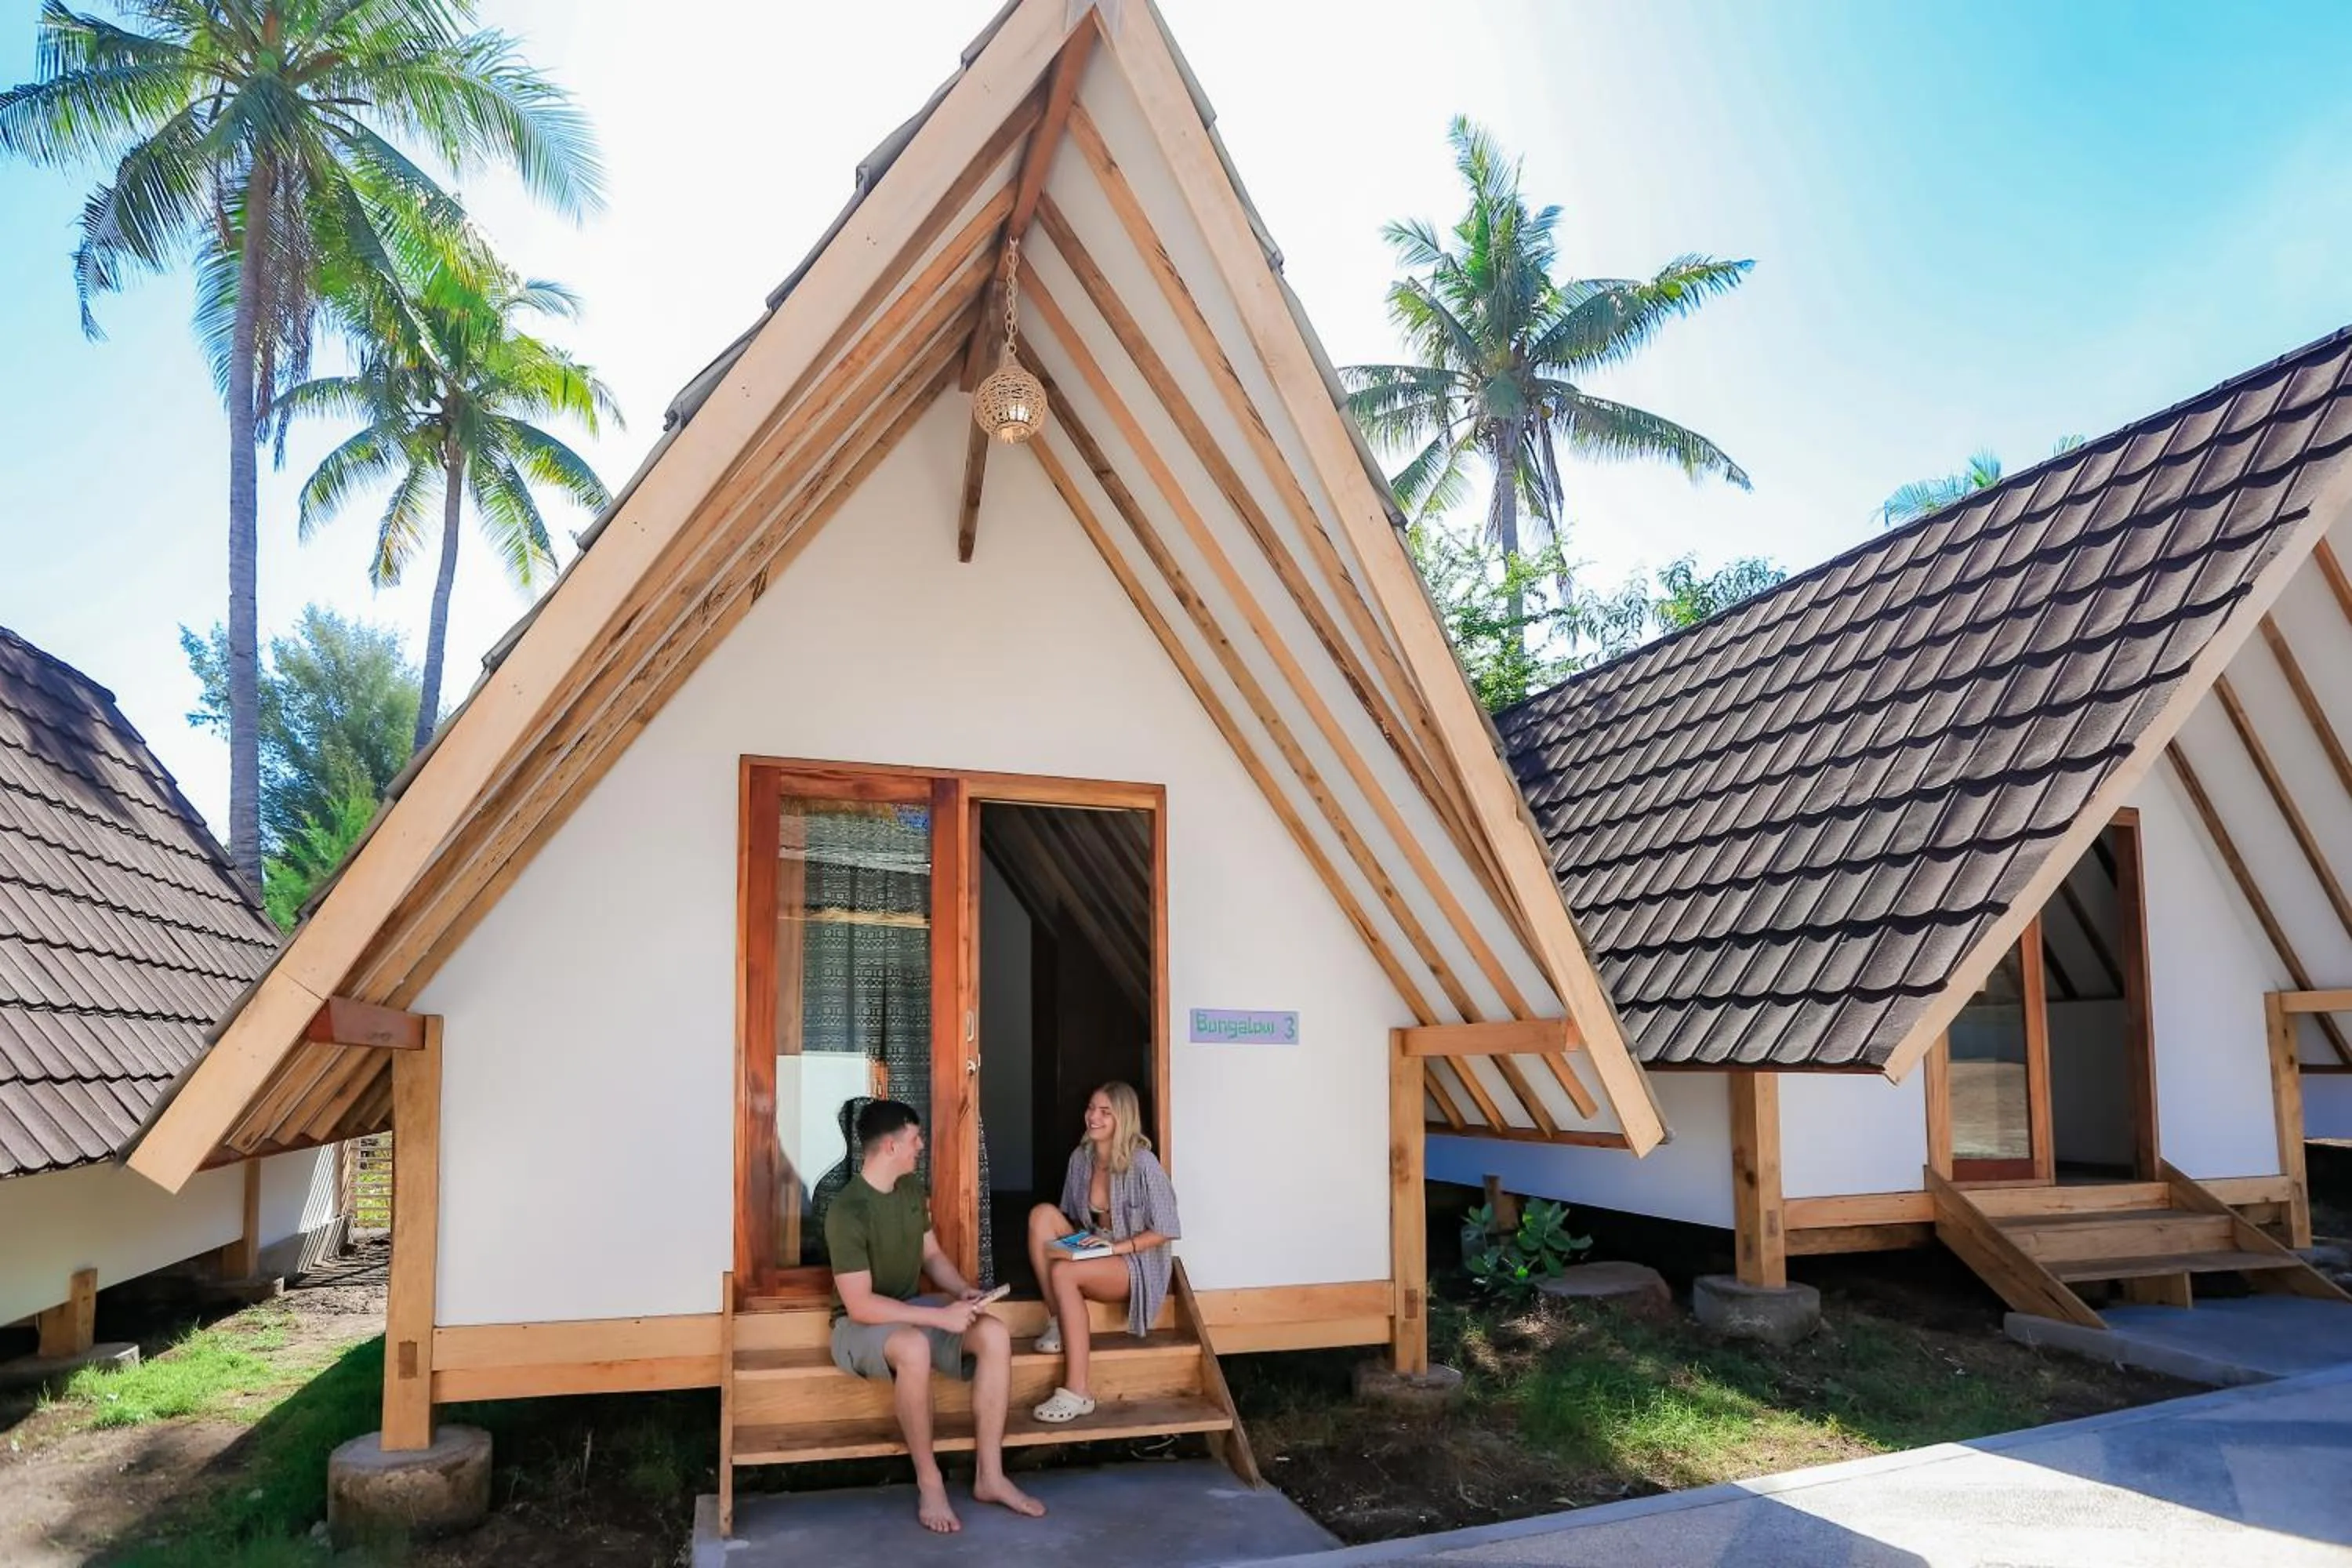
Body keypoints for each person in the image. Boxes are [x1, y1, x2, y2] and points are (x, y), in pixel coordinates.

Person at [826, 1099, 1045, 1533]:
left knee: (995, 1335)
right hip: (856, 1328)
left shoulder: (910, 1190)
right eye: (914, 1138)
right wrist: (939, 1319)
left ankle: (991, 1476)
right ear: (890, 1146)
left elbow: (932, 1256)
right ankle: (931, 1484)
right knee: (911, 1346)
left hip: (908, 1309)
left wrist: (960, 1290)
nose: (921, 1146)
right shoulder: (847, 1211)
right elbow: (861, 1305)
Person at [1022, 1081, 1182, 1424]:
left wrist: (1114, 1248)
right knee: (1041, 1216)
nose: (1093, 1117)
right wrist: (1084, 1245)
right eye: (1091, 1108)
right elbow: (1073, 1217)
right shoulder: (1081, 1158)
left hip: (1133, 1260)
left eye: (1104, 1112)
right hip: (1097, 1244)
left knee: (1064, 1272)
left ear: (1122, 1118)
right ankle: (1057, 1321)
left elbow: (1167, 1228)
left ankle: (1078, 1392)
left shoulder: (1143, 1163)